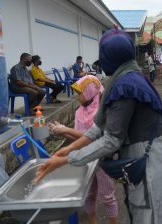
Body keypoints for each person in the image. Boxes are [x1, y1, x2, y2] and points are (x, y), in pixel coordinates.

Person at [35, 29, 162, 224]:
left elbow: (111, 140)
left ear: (110, 56)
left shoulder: (126, 85)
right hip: (146, 160)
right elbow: (98, 128)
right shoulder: (124, 78)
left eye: (102, 55)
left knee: (153, 215)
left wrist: (67, 160)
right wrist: (68, 148)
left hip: (150, 167)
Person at [48, 75, 118, 224]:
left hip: (102, 159)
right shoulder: (79, 112)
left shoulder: (103, 111)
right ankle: (92, 220)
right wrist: (61, 131)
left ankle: (114, 221)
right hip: (86, 158)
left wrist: (65, 129)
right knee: (89, 194)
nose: (77, 97)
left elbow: (95, 137)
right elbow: (79, 140)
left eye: (80, 93)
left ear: (90, 92)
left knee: (107, 197)